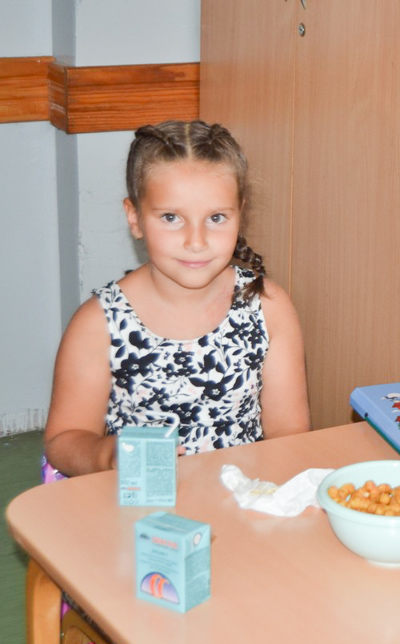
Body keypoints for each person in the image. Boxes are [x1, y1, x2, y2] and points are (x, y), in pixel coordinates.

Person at [43, 119, 311, 477]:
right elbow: (63, 439)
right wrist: (109, 455)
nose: (195, 241)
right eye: (171, 217)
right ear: (135, 217)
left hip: (241, 496)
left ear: (240, 215)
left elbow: (289, 434)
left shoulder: (269, 307)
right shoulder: (99, 323)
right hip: (137, 499)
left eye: (216, 217)